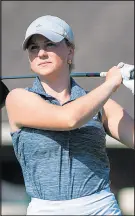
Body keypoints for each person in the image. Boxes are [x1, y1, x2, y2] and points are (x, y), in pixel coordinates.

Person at [5, 15, 134, 215]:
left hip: (100, 209)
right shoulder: (18, 99)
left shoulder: (102, 105)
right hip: (45, 211)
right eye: (33, 48)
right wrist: (110, 83)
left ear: (70, 51)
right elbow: (69, 119)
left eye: (49, 44)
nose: (41, 53)